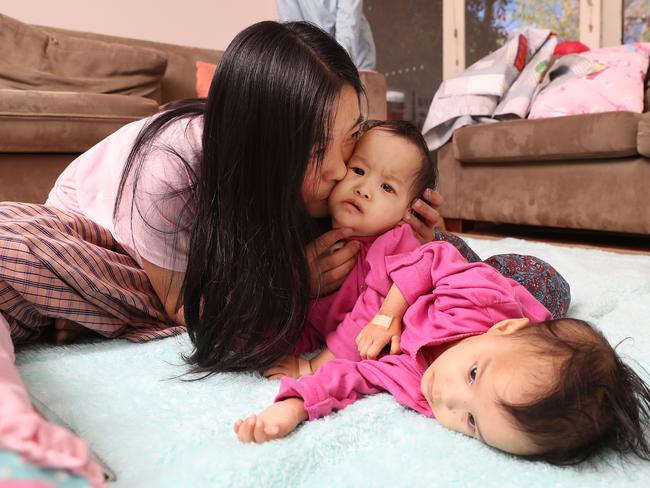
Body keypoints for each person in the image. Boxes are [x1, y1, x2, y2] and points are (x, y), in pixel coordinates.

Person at [234, 240, 650, 466]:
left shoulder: (420, 389)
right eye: (472, 375)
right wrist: (389, 314)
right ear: (504, 330)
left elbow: (355, 377)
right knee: (541, 283)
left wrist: (294, 403)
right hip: (506, 280)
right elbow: (434, 259)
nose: (448, 397)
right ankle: (522, 287)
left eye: (471, 421)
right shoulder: (477, 301)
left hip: (512, 329)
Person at [263, 119, 569, 379]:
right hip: (447, 273)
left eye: (387, 188)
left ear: (408, 211)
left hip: (478, 293)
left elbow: (366, 320)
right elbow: (319, 319)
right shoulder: (321, 243)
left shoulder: (393, 242)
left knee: (528, 290)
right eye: (358, 171)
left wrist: (312, 367)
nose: (363, 189)